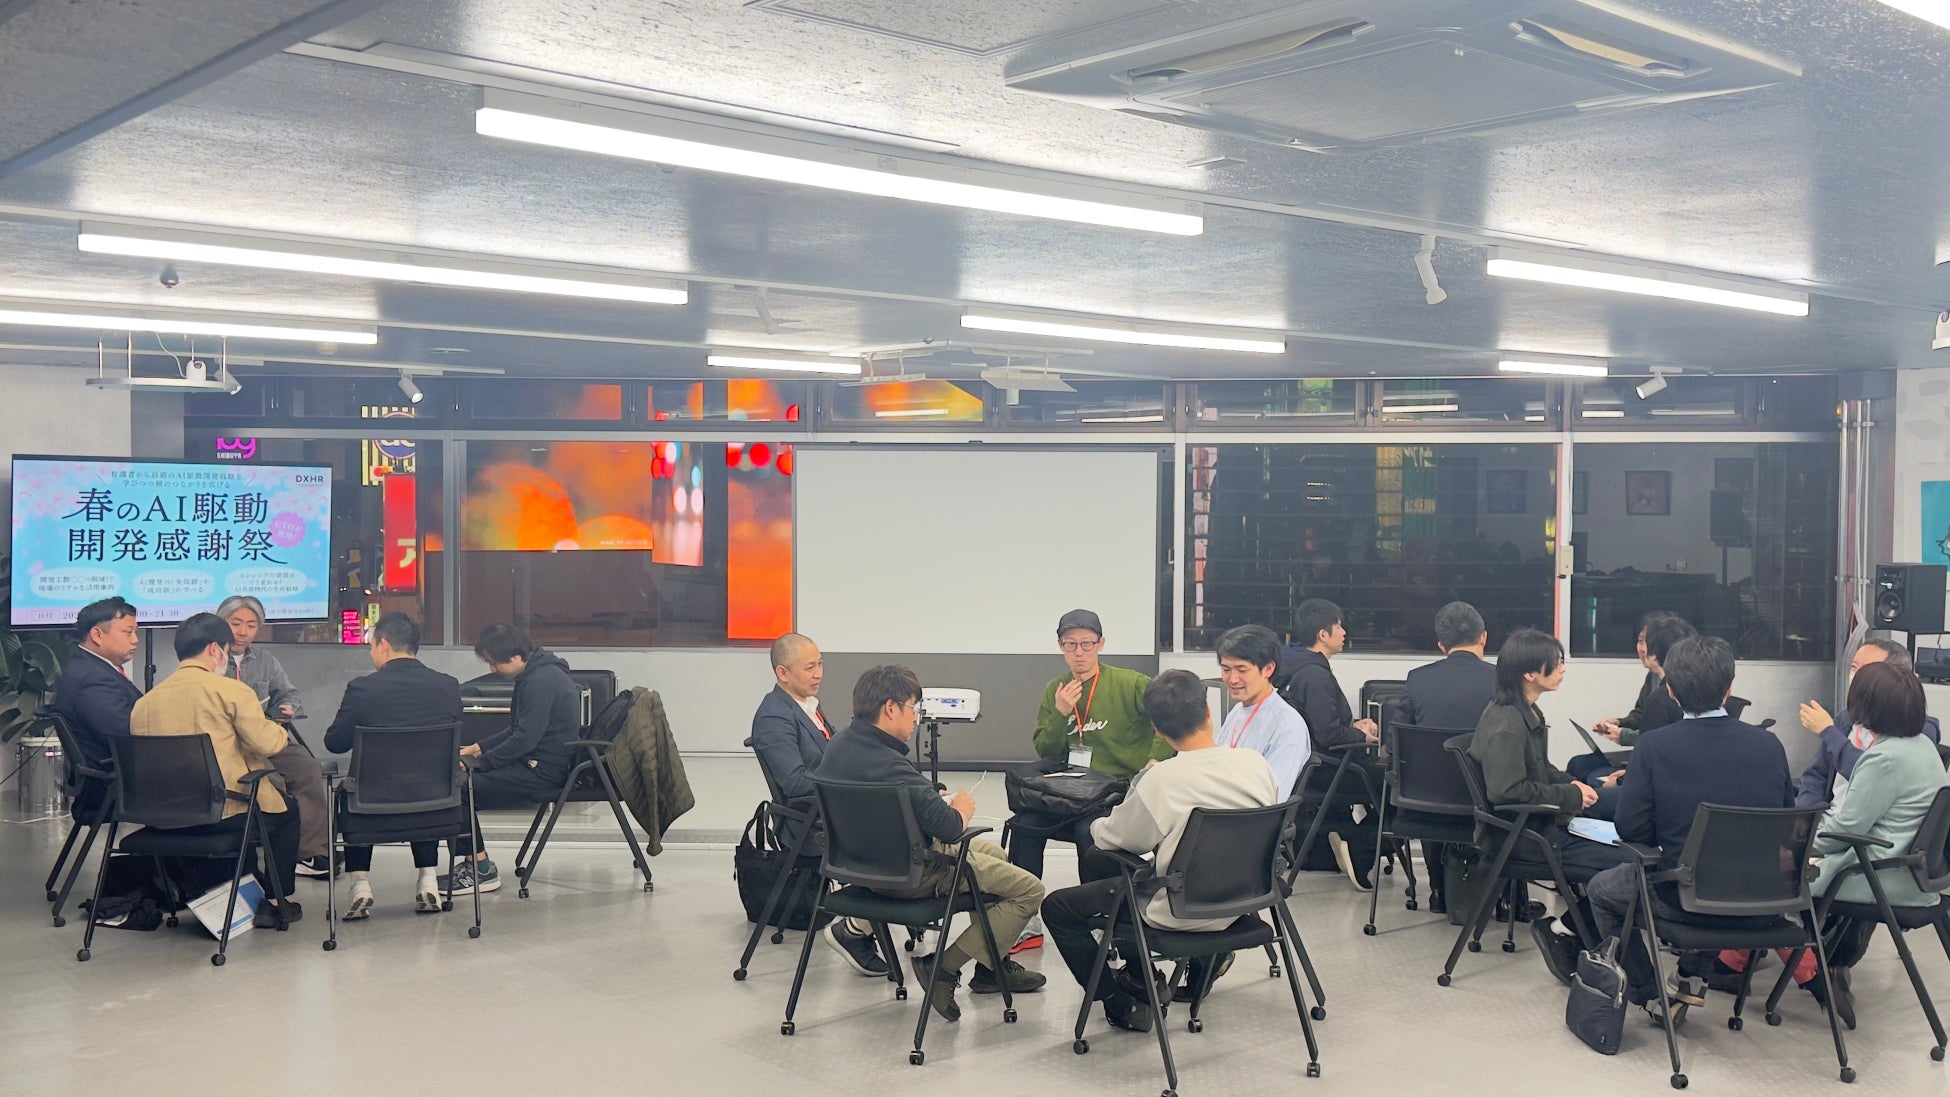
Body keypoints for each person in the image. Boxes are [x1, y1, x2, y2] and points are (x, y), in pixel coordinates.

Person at [1041, 670, 1279, 1033]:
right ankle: (1178, 969)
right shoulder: (1255, 764)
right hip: (1246, 901)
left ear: (1156, 728)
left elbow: (1116, 840)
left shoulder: (1162, 780)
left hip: (1180, 911)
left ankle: (1125, 998)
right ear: (1208, 711)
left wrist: (1096, 823)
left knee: (1061, 905)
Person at [815, 665, 1046, 1023]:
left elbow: (902, 802)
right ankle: (943, 967)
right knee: (1029, 890)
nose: (917, 719)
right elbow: (950, 828)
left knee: (995, 854)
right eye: (914, 709)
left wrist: (929, 799)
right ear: (890, 709)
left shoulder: (838, 747)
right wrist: (962, 809)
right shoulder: (893, 768)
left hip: (859, 869)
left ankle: (991, 968)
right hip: (911, 877)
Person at [1723, 661, 1947, 1029]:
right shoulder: (1922, 747)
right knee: (1779, 870)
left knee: (1772, 878)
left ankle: (1803, 974)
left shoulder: (1883, 759)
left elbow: (1846, 828)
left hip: (1876, 875)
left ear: (1866, 705)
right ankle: (1745, 964)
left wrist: (1792, 841)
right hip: (1912, 872)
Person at [1582, 636, 1794, 1018]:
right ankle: (1692, 976)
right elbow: (1784, 823)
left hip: (1687, 901)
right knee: (1715, 869)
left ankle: (1650, 995)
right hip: (1764, 901)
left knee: (1601, 890)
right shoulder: (1769, 745)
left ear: (1671, 692)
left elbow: (1631, 830)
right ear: (1730, 688)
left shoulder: (1654, 747)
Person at [1466, 627, 1631, 983]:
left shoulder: (1521, 711)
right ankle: (1565, 931)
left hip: (1535, 827)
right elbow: (1508, 792)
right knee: (1631, 866)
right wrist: (1570, 796)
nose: (1562, 669)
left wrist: (1572, 785)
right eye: (1555, 663)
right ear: (1529, 673)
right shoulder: (1508, 725)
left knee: (1622, 840)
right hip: (1529, 837)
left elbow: (1540, 769)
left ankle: (1577, 932)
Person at [129, 612, 300, 927]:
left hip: (161, 819)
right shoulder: (231, 691)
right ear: (214, 649)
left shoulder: (144, 704)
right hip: (220, 815)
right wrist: (279, 727)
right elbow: (268, 744)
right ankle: (277, 901)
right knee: (287, 812)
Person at [1012, 608, 1170, 947]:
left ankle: (1099, 916)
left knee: (1090, 831)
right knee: (1025, 824)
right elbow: (1047, 751)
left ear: (1101, 644)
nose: (1079, 652)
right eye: (1070, 644)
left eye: (1087, 643)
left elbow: (1169, 720)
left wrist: (1153, 760)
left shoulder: (1130, 683)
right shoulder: (1056, 689)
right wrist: (1060, 713)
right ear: (1061, 647)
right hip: (1070, 791)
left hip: (1114, 793)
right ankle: (1023, 916)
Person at [747, 632, 887, 977]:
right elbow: (795, 783)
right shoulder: (774, 717)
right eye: (810, 667)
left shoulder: (807, 705)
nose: (819, 673)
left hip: (830, 809)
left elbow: (837, 751)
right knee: (895, 833)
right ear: (783, 673)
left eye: (820, 664)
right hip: (808, 823)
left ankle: (870, 918)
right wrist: (855, 786)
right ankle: (858, 929)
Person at [322, 613, 464, 919]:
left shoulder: (363, 689)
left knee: (354, 786)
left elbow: (335, 743)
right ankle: (428, 878)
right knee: (423, 780)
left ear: (383, 645)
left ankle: (360, 883)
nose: (371, 653)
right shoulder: (447, 686)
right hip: (436, 804)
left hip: (371, 807)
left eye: (371, 646)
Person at [440, 624, 582, 895]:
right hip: (536, 764)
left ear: (515, 657)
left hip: (540, 772)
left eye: (495, 663)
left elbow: (524, 740)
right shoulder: (540, 673)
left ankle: (480, 869)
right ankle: (474, 862)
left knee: (459, 789)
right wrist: (478, 748)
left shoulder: (540, 683)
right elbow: (520, 728)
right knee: (459, 783)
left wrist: (481, 763)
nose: (492, 669)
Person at [214, 594, 332, 877]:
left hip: (267, 737)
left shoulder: (265, 660)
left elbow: (288, 693)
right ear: (221, 623)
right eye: (236, 623)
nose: (243, 631)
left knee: (306, 768)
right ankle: (275, 856)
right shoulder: (211, 659)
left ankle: (310, 852)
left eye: (251, 625)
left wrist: (287, 707)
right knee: (273, 780)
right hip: (231, 744)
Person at [1394, 601, 1497, 913]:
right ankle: (1504, 899)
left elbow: (1395, 741)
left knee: (1430, 776)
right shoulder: (1502, 680)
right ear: (1483, 637)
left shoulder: (1417, 679)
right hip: (1485, 801)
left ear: (1441, 645)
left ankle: (1438, 890)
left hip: (1425, 803)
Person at [1276, 598, 1379, 892]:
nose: (1344, 632)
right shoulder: (1315, 676)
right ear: (1323, 634)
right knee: (1395, 786)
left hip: (1314, 767)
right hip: (1331, 769)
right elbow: (1329, 734)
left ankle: (1349, 842)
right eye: (1339, 626)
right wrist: (1362, 737)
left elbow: (1320, 724)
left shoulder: (1297, 669)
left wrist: (1354, 726)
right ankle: (1359, 847)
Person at [1796, 639, 1941, 810]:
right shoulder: (1846, 719)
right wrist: (1806, 814)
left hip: (1871, 823)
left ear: (1896, 679)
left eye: (1867, 671)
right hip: (1829, 816)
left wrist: (1828, 731)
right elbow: (1815, 775)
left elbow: (1873, 778)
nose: (1856, 676)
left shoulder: (1918, 730)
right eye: (1854, 667)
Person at [49, 597, 143, 819]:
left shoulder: (92, 668)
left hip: (116, 778)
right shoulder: (92, 679)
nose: (136, 640)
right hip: (113, 785)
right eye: (128, 632)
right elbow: (125, 737)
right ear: (97, 635)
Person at [1213, 624, 1310, 797]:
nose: (1233, 679)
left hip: (1248, 811)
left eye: (1242, 670)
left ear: (1268, 669)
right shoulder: (1237, 711)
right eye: (1226, 669)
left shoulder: (1288, 725)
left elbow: (1274, 795)